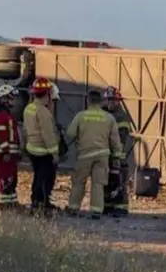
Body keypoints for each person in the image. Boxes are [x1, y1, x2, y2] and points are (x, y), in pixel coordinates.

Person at [65, 90, 124, 220]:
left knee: (79, 182)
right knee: (98, 184)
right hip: (102, 155)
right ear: (100, 101)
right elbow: (115, 140)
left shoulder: (81, 116)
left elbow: (70, 134)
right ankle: (96, 210)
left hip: (84, 155)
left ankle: (74, 208)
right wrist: (117, 157)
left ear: (88, 100)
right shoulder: (109, 118)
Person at [23, 78, 62, 215]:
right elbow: (48, 135)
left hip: (32, 150)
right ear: (47, 94)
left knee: (38, 177)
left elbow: (25, 130)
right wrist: (55, 153)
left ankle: (36, 202)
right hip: (44, 152)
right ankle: (41, 205)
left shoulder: (29, 108)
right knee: (46, 179)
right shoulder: (44, 112)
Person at [102, 87, 132, 217]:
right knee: (108, 182)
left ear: (118, 101)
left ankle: (121, 207)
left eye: (113, 100)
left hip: (118, 156)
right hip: (107, 155)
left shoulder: (121, 116)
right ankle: (108, 205)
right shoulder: (105, 114)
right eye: (109, 100)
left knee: (120, 182)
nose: (110, 102)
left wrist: (116, 155)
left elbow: (121, 138)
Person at [0, 85, 22, 210]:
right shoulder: (0, 115)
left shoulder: (7, 115)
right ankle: (3, 204)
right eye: (11, 98)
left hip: (10, 154)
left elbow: (12, 135)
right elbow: (0, 135)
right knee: (4, 178)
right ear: (4, 99)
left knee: (12, 178)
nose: (13, 101)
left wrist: (17, 150)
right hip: (4, 155)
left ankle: (12, 202)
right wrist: (6, 152)